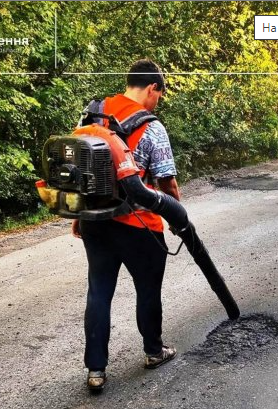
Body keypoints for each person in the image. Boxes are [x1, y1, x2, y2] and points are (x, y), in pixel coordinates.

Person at [72, 59, 180, 391]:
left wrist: (79, 216)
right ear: (153, 88)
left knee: (99, 292)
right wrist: (177, 216)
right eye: (159, 95)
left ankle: (96, 370)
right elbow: (167, 183)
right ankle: (153, 351)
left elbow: (80, 172)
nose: (157, 101)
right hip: (139, 225)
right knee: (148, 290)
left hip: (96, 221)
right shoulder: (152, 126)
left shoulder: (93, 114)